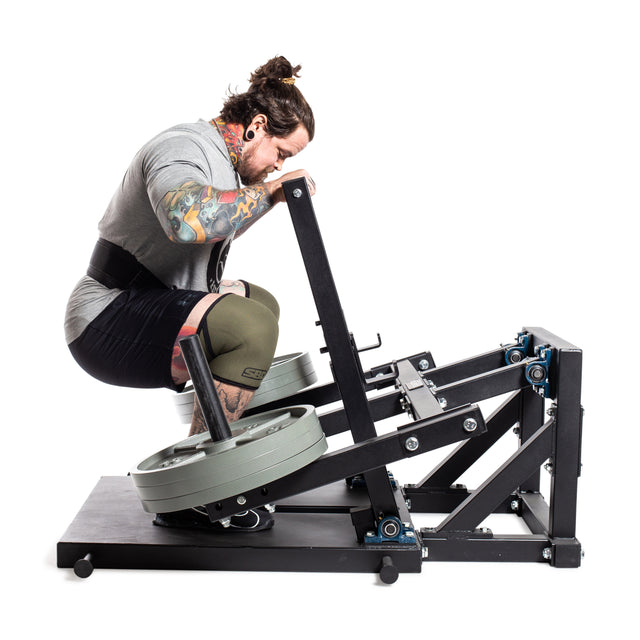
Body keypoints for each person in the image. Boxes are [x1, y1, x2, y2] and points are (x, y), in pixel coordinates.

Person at [64, 56, 316, 531]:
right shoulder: (183, 146)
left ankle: (224, 445)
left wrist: (270, 193)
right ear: (256, 127)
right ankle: (200, 493)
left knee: (261, 305)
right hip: (104, 317)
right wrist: (271, 190)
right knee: (250, 328)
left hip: (149, 300)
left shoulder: (225, 163)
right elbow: (187, 219)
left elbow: (213, 229)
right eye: (280, 152)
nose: (279, 165)